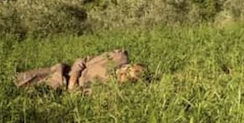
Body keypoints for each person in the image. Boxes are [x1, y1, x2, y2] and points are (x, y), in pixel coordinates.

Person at [14, 49, 146, 92]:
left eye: (129, 78)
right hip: (65, 72)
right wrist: (73, 80)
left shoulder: (115, 89)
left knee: (28, 92)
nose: (123, 74)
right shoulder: (119, 56)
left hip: (68, 91)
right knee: (20, 79)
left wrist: (76, 92)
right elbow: (81, 61)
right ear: (130, 65)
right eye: (128, 70)